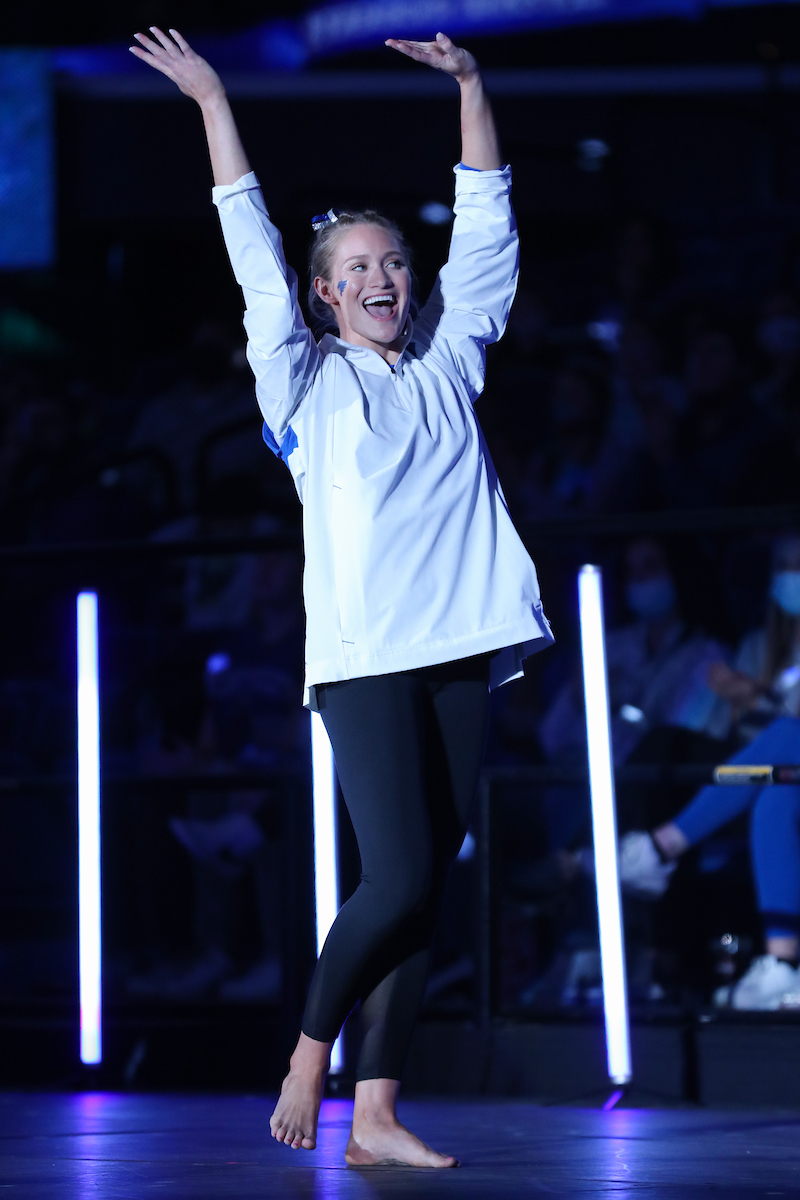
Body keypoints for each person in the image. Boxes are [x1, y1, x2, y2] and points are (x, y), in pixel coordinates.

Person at [130, 27, 552, 1167]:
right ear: (322, 299)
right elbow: (248, 245)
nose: (380, 278)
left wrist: (470, 83)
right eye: (355, 269)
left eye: (390, 264)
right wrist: (216, 101)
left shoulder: (448, 355)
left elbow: (484, 216)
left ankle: (374, 1114)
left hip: (462, 638)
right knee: (400, 873)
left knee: (424, 889)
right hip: (366, 656)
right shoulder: (304, 383)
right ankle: (308, 1053)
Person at [618, 534, 800, 1010]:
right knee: (761, 788)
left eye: (798, 563)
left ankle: (657, 848)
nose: (789, 574)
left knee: (786, 739)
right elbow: (726, 729)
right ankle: (782, 966)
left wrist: (761, 701)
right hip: (760, 777)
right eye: (782, 564)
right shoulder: (761, 643)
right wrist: (745, 705)